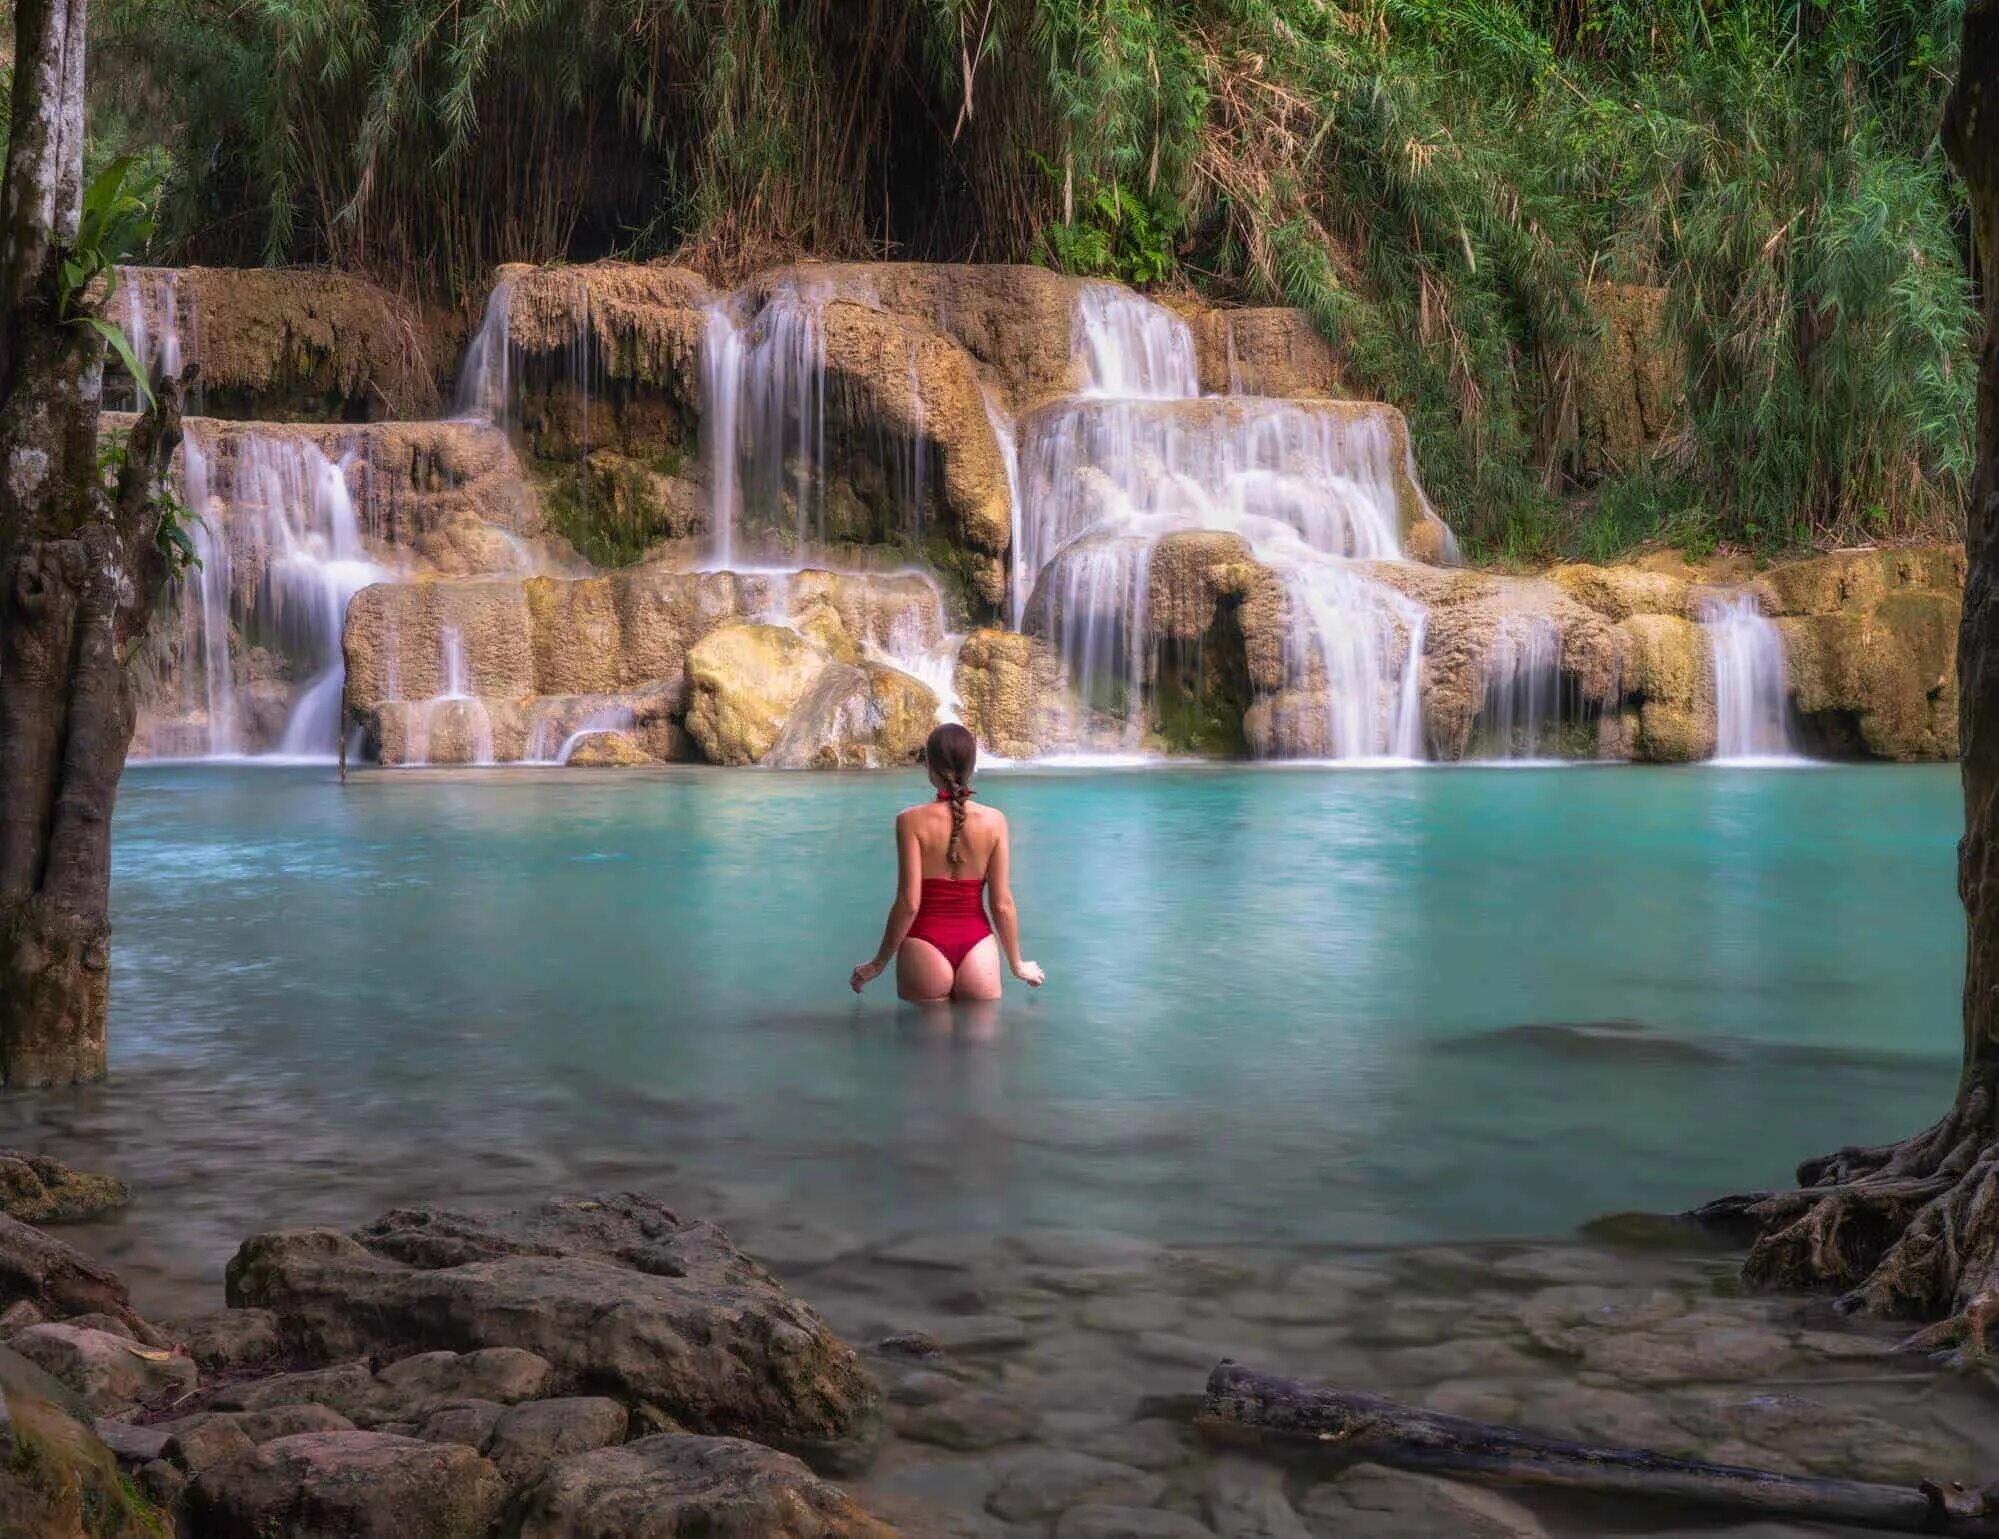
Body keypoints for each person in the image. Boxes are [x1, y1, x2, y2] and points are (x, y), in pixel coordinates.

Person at [850, 723, 1045, 1002]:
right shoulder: (995, 821)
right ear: (972, 765)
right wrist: (1018, 965)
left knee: (927, 1043)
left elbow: (909, 904)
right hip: (979, 949)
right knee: (977, 1043)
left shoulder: (910, 821)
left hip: (924, 945)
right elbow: (1001, 904)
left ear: (930, 766)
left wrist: (877, 963)